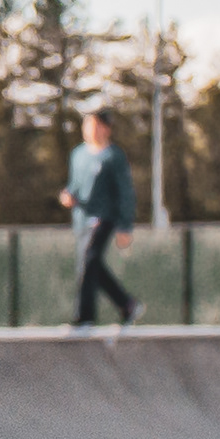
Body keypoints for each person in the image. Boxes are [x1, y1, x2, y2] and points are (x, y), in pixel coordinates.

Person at [68, 108, 140, 330]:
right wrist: (69, 196)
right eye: (88, 125)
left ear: (106, 129)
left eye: (97, 125)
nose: (91, 130)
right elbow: (75, 186)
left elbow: (126, 192)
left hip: (105, 218)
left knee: (90, 260)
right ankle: (127, 304)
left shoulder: (113, 156)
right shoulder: (78, 155)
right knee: (91, 265)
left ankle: (85, 316)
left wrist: (125, 226)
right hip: (83, 219)